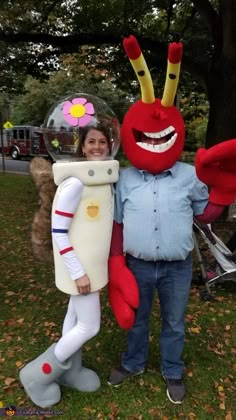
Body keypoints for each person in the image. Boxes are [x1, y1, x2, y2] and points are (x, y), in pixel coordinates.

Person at [107, 35, 236, 405]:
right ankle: (132, 363)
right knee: (139, 318)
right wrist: (116, 263)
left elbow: (206, 216)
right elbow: (116, 224)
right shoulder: (126, 179)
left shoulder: (189, 176)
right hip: (138, 265)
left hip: (178, 267)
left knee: (175, 323)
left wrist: (223, 194)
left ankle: (172, 370)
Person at [19, 94, 119, 408]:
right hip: (81, 269)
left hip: (92, 266)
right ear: (81, 146)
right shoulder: (75, 184)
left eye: (102, 141)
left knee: (74, 319)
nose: (98, 147)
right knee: (90, 325)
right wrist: (78, 272)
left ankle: (70, 369)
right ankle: (39, 373)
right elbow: (59, 232)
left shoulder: (102, 182)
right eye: (91, 141)